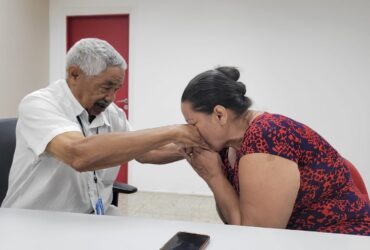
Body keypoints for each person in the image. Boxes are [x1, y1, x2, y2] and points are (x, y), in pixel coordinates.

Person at [1, 38, 206, 215]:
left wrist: (196, 145)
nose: (111, 98)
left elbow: (146, 152)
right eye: (106, 87)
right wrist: (174, 131)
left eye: (116, 89)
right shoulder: (39, 104)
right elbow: (79, 155)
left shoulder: (111, 113)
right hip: (35, 224)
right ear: (74, 75)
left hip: (93, 218)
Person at [180, 66, 370, 236]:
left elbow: (257, 238)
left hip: (343, 239)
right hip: (302, 240)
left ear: (219, 115)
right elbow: (233, 222)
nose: (191, 132)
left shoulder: (267, 136)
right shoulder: (227, 145)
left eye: (192, 124)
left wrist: (214, 177)